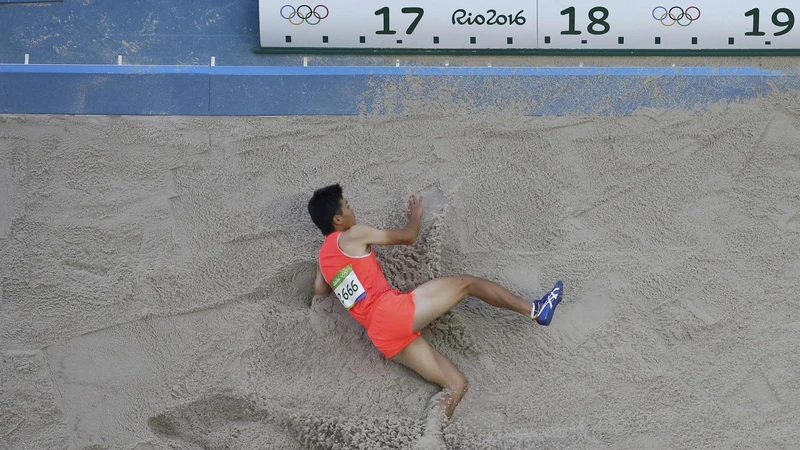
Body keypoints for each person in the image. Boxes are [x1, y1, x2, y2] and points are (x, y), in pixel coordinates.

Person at [307, 184, 564, 419]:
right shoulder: (352, 234)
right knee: (468, 284)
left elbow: (319, 294)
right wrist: (416, 215)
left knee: (455, 385)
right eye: (347, 205)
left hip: (380, 335)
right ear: (337, 219)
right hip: (392, 312)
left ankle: (433, 433)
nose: (352, 209)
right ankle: (535, 310)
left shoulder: (323, 261)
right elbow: (408, 236)